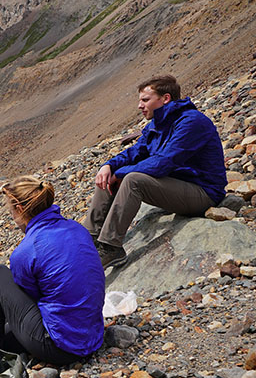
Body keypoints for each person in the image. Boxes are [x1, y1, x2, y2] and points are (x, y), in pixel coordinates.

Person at [84, 75, 227, 269]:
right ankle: (89, 240)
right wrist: (109, 166)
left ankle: (111, 248)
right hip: (177, 185)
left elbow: (163, 163)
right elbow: (135, 152)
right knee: (109, 174)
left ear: (165, 98)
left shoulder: (191, 122)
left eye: (145, 100)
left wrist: (121, 173)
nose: (139, 106)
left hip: (203, 192)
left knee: (133, 179)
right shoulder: (157, 124)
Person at [0, 176, 105, 365]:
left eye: (11, 211)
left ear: (19, 208)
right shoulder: (76, 228)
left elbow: (30, 298)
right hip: (93, 336)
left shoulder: (27, 250)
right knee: (2, 324)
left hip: (58, 346)